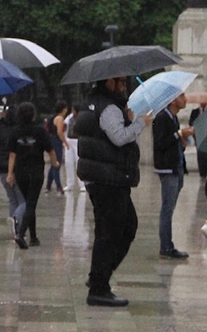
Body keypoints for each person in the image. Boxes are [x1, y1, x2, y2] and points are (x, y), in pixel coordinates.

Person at [75, 76, 150, 307]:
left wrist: (127, 119)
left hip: (105, 177)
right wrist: (140, 123)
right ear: (108, 82)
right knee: (110, 233)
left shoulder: (95, 103)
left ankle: (99, 275)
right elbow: (118, 139)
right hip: (109, 178)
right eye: (120, 82)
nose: (124, 87)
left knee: (127, 226)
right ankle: (99, 286)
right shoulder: (108, 108)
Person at [7, 102, 59, 249]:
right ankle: (21, 234)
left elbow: (12, 155)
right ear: (33, 115)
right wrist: (55, 163)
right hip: (35, 172)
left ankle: (34, 237)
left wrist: (10, 173)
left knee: (30, 203)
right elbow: (51, 150)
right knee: (31, 203)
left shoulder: (15, 132)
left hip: (20, 172)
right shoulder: (40, 131)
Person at [153, 93, 194, 260]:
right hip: (167, 169)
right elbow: (160, 143)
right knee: (167, 209)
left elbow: (172, 144)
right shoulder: (162, 118)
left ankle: (168, 245)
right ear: (172, 100)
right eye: (181, 96)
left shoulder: (174, 118)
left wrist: (182, 141)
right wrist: (178, 134)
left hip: (177, 167)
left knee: (170, 208)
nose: (185, 99)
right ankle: (166, 246)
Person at [0, 106, 23, 232]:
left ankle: (14, 226)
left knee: (12, 199)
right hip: (16, 166)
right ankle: (19, 225)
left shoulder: (0, 128)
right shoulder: (19, 130)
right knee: (22, 200)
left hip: (1, 166)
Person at [45, 101, 68, 193]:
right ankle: (59, 186)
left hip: (51, 140)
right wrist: (65, 142)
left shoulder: (53, 117)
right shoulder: (60, 118)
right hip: (56, 141)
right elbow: (59, 132)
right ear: (63, 109)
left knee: (53, 162)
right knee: (57, 163)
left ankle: (48, 185)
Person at [63, 105, 83, 192]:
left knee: (78, 162)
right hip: (69, 141)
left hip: (78, 141)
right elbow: (64, 126)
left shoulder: (82, 117)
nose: (72, 112)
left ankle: (82, 184)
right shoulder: (69, 117)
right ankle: (70, 184)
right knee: (68, 162)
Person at [189, 101, 207, 177]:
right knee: (200, 154)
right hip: (198, 135)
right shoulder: (195, 112)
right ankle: (202, 171)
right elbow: (191, 122)